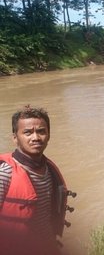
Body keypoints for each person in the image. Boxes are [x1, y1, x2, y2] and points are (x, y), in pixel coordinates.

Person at [0, 105, 74, 255]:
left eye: (41, 131)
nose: (36, 137)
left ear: (49, 135)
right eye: (27, 132)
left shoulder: (49, 169)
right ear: (15, 138)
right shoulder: (5, 173)